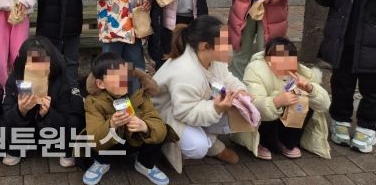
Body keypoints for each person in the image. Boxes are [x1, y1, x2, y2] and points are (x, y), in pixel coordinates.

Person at [153, 16, 248, 173]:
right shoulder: (186, 71)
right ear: (205, 46)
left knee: (241, 109)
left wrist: (241, 91)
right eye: (224, 43)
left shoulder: (212, 57)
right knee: (198, 147)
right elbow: (184, 112)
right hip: (167, 114)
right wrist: (215, 108)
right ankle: (168, 147)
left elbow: (226, 78)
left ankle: (211, 142)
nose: (230, 47)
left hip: (193, 104)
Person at [313, 0, 376, 153]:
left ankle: (367, 128)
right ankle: (340, 121)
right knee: (341, 83)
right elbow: (325, 0)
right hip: (343, 38)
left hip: (372, 42)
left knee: (372, 88)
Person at [83, 52, 174, 185]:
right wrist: (112, 124)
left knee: (159, 130)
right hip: (110, 145)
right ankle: (101, 163)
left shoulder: (139, 94)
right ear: (100, 84)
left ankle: (144, 163)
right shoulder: (93, 102)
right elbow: (94, 140)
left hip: (134, 141)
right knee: (90, 135)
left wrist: (144, 126)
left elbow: (158, 126)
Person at [235, 37, 330, 160]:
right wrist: (276, 101)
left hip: (286, 120)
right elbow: (254, 105)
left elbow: (324, 105)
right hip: (262, 123)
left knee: (305, 101)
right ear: (267, 58)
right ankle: (261, 142)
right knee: (273, 107)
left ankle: (287, 143)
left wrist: (310, 89)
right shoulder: (256, 69)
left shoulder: (300, 71)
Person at [1, 36, 85, 167]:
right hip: (27, 129)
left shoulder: (62, 79)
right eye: (31, 64)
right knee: (3, 118)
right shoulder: (15, 79)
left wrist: (47, 113)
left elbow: (65, 118)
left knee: (75, 117)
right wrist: (21, 110)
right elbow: (7, 114)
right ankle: (16, 149)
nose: (36, 68)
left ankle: (66, 150)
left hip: (52, 131)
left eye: (41, 62)